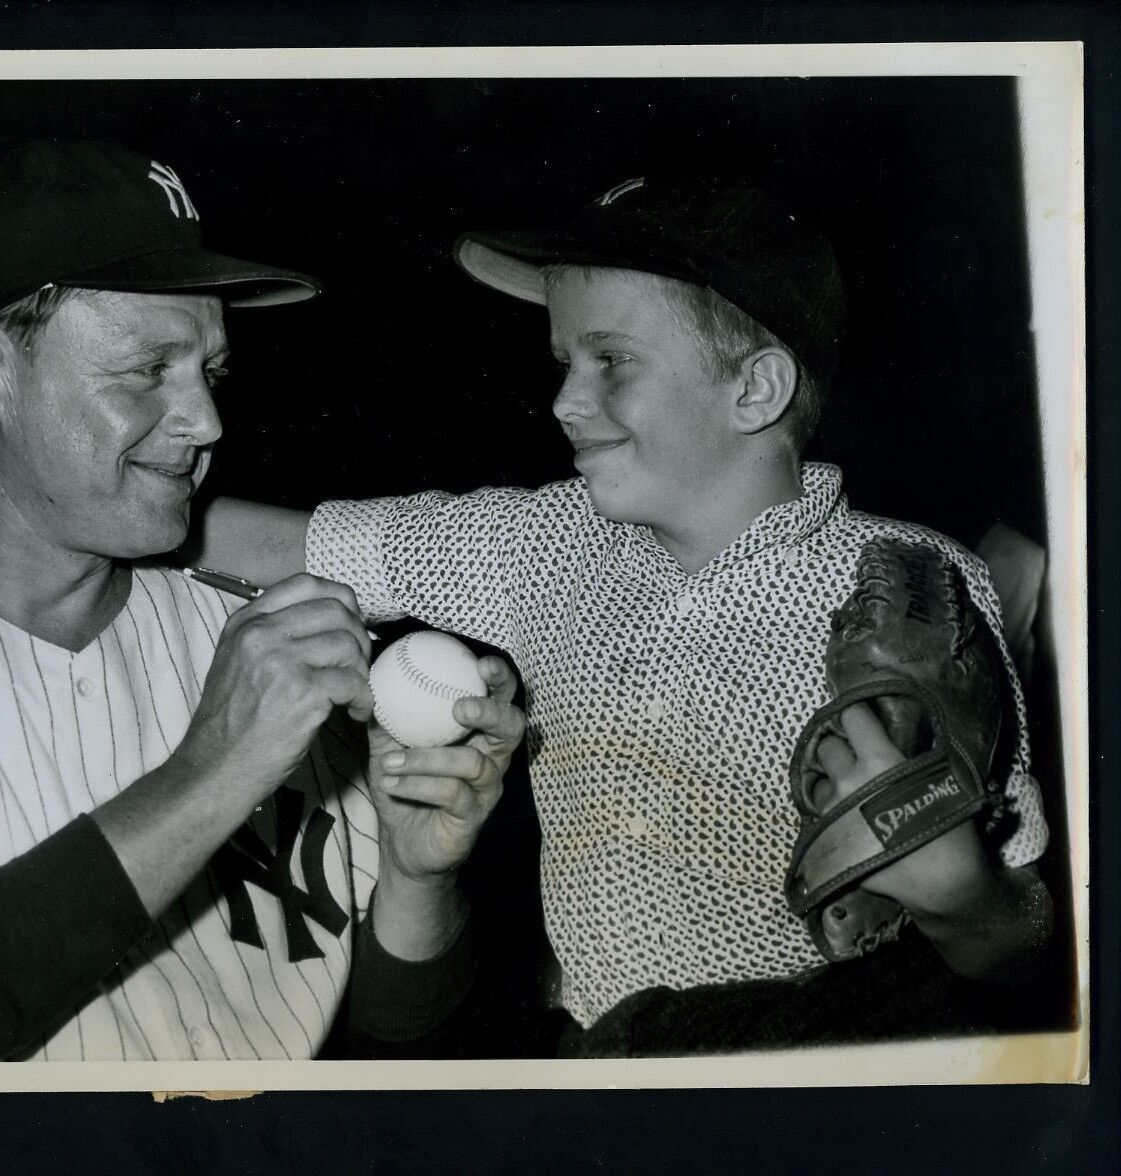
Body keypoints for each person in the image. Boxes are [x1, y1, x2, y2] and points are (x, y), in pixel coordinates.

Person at [188, 174, 1056, 1052]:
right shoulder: (544, 540)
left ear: (755, 390)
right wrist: (79, 507)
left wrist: (963, 893)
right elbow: (289, 544)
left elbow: (1027, 947)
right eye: (567, 363)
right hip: (596, 1061)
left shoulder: (911, 585)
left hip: (799, 1072)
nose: (566, 401)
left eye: (613, 361)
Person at [0, 140, 525, 1062]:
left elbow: (394, 1031)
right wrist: (212, 770)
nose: (206, 421)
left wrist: (413, 875)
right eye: (145, 369)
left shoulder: (249, 636)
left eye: (211, 373)